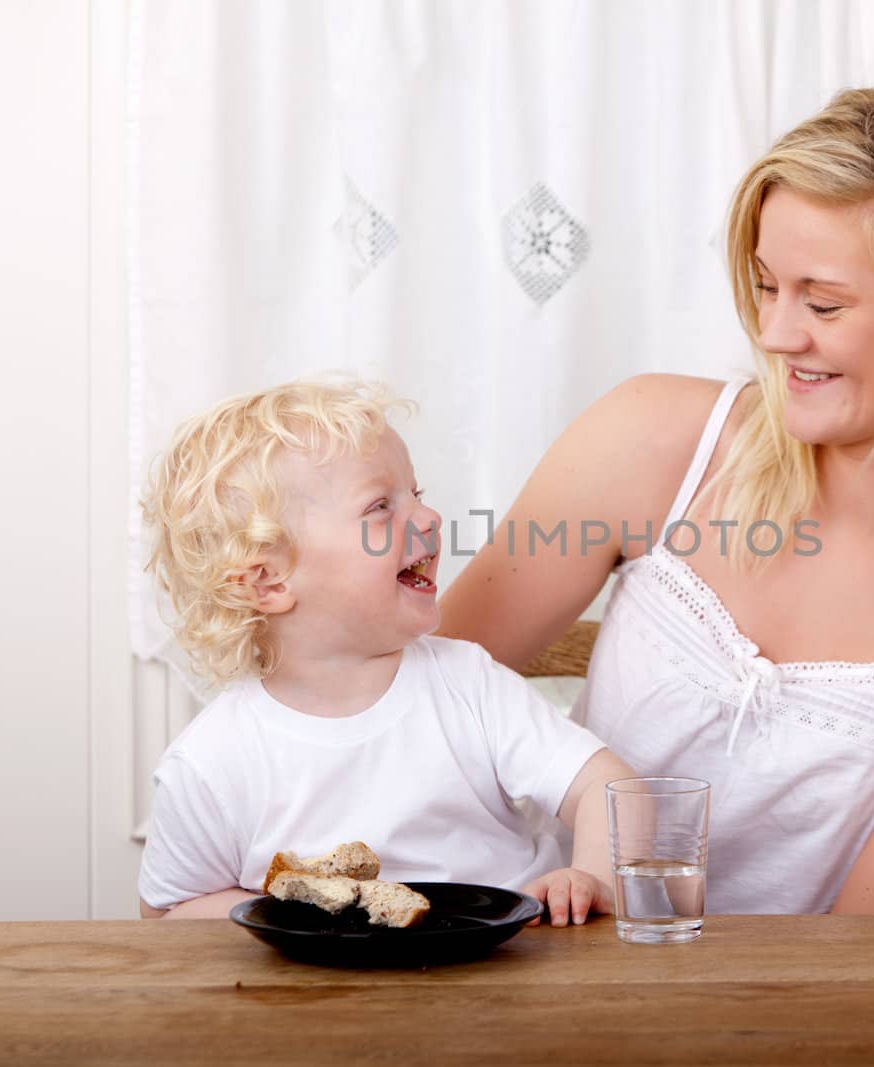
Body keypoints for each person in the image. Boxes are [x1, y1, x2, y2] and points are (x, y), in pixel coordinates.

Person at [438, 86, 874, 915]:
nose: (777, 335)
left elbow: (873, 969)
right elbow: (411, 703)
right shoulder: (653, 440)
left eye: (823, 303)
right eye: (764, 286)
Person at [136, 379, 633, 925]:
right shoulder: (214, 759)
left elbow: (606, 787)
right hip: (323, 1004)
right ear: (268, 580)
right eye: (380, 506)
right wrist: (293, 919)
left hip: (504, 980)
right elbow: (167, 913)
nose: (429, 518)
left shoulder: (466, 685)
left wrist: (588, 876)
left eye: (416, 496)